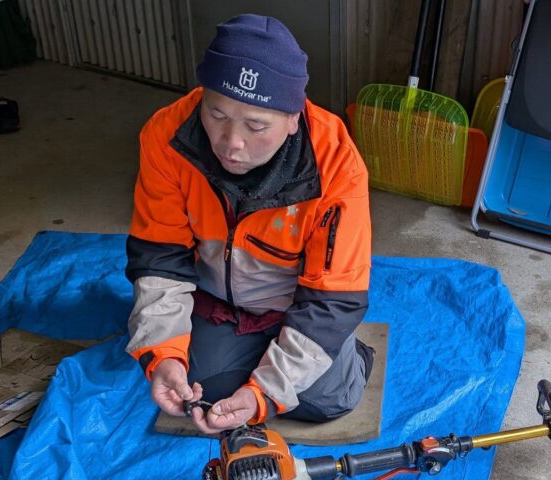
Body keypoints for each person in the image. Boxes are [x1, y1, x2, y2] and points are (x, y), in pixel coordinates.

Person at [125, 14, 373, 435]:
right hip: (217, 301)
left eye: (256, 125)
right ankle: (256, 354)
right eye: (217, 114)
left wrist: (262, 395)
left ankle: (342, 354)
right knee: (197, 390)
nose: (232, 142)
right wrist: (164, 356)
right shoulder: (166, 137)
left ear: (294, 118)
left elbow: (332, 300)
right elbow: (159, 258)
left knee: (329, 398)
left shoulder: (336, 165)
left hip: (296, 305)